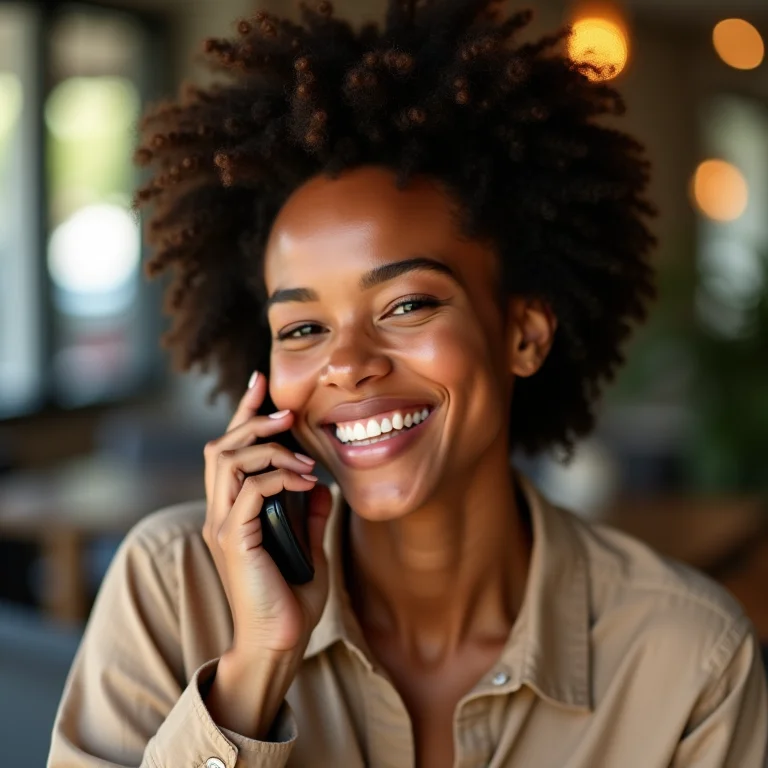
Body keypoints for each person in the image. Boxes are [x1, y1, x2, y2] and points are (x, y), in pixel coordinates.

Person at [48, 1, 768, 766]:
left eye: (407, 305)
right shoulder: (171, 590)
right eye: (302, 328)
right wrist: (254, 670)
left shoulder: (689, 660)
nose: (346, 363)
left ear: (523, 334)